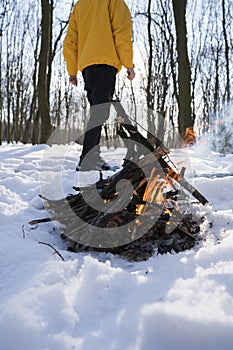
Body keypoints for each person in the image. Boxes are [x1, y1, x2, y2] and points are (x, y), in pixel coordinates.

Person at [63, 0, 135, 171]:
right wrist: (128, 64)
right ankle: (87, 159)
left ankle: (93, 156)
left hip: (87, 66)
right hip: (106, 62)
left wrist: (72, 71)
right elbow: (121, 33)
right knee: (100, 112)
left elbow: (71, 41)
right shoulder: (114, 2)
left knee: (98, 110)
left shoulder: (80, 5)